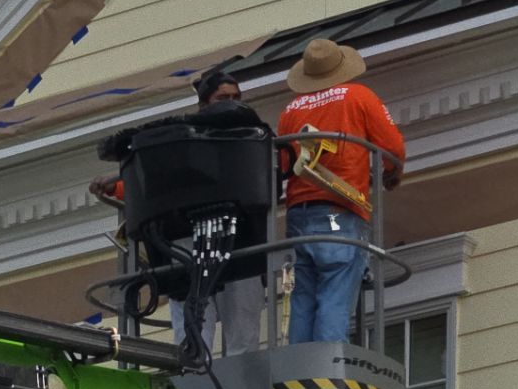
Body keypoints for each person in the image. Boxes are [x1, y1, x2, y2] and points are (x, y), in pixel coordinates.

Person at [89, 65, 264, 356]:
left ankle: (239, 371)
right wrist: (117, 186)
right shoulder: (185, 140)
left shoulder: (249, 139)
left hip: (238, 238)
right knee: (193, 322)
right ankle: (193, 371)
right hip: (188, 237)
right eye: (223, 98)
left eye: (236, 97)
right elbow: (161, 184)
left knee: (243, 319)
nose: (232, 103)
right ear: (204, 104)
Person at [277, 36, 405, 345]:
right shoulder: (358, 96)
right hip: (340, 208)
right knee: (335, 289)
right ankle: (329, 364)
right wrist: (391, 173)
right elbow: (393, 147)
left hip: (299, 212)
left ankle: (302, 363)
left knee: (304, 295)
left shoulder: (291, 110)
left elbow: (283, 164)